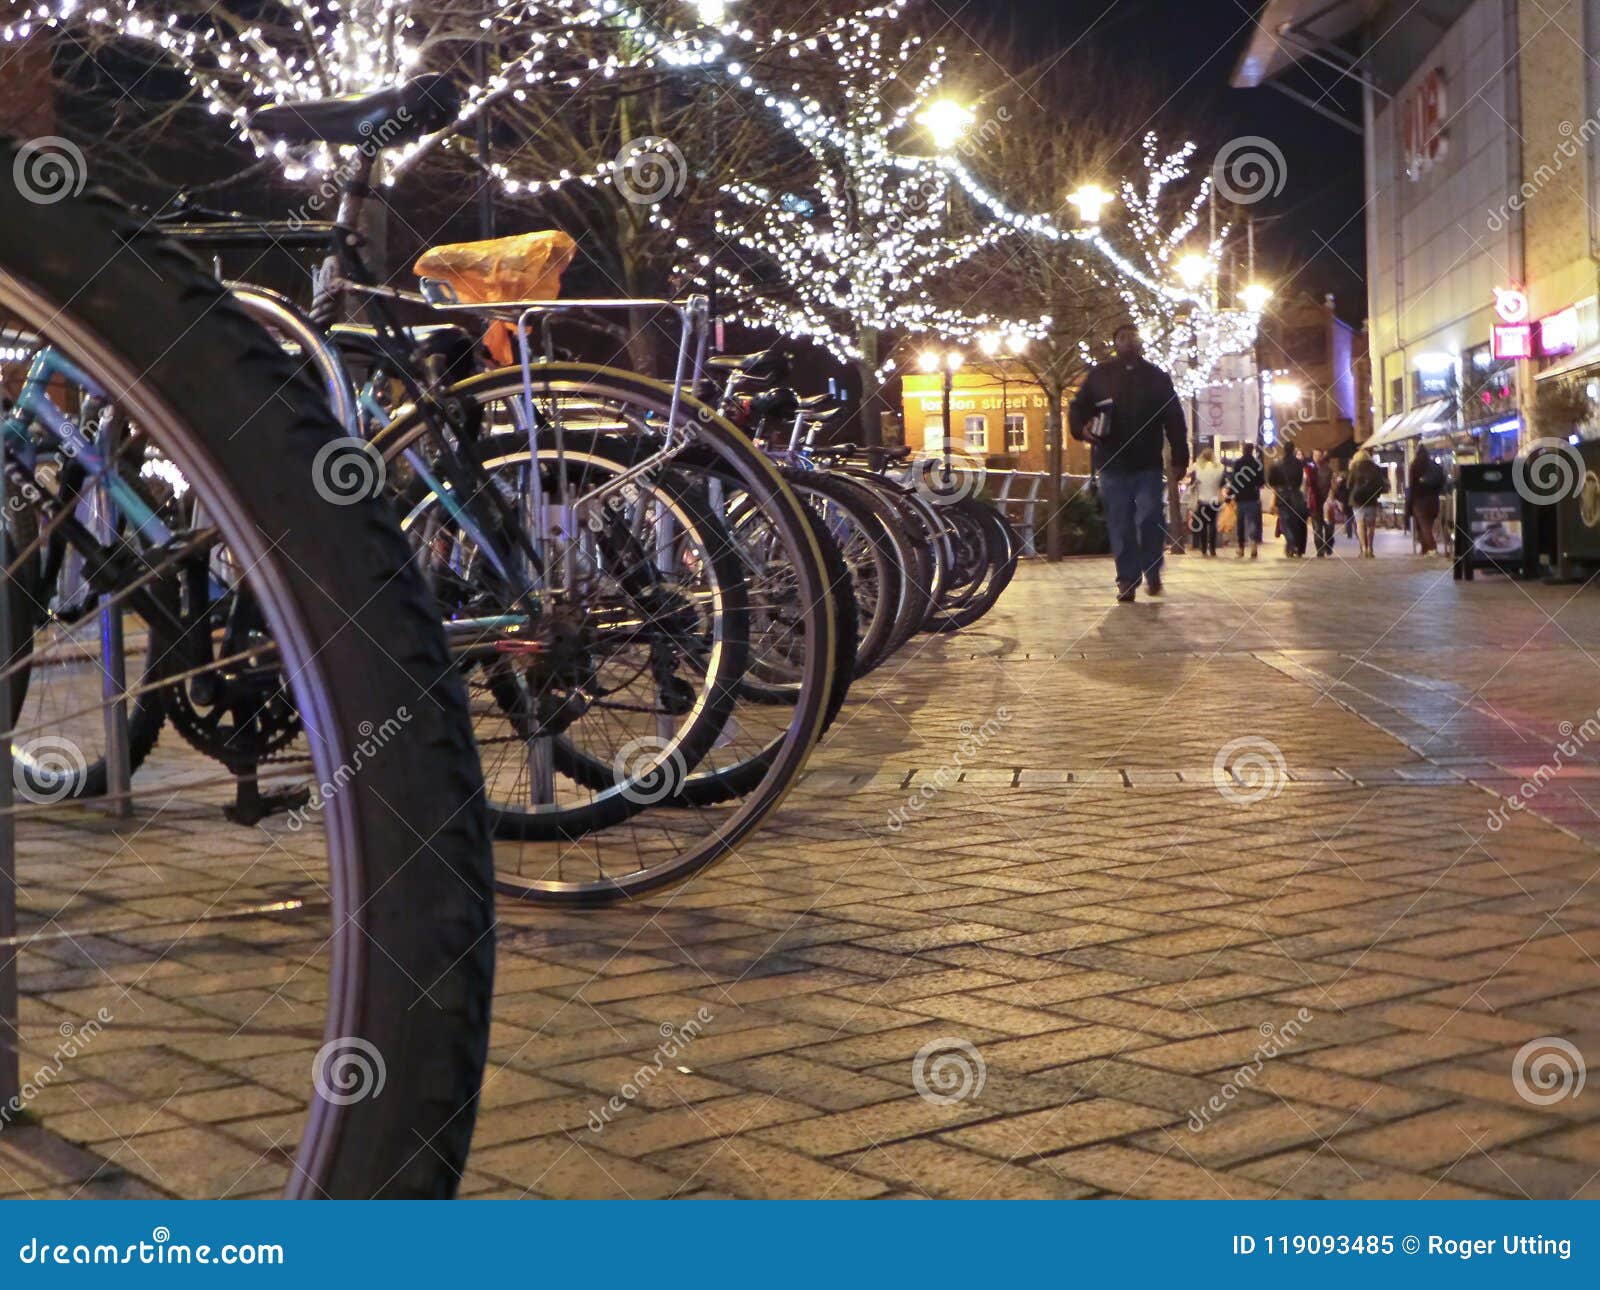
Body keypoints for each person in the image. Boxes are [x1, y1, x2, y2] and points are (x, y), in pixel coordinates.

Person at [1069, 322, 1190, 602]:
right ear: (1115, 343)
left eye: (1132, 336)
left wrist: (1180, 457)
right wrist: (1081, 429)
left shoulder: (1156, 377)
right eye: (1122, 337)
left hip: (1147, 462)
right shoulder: (1099, 376)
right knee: (1120, 522)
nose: (1128, 341)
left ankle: (1152, 568)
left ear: (1140, 342)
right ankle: (1127, 578)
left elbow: (1174, 418)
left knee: (1150, 516)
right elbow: (1078, 407)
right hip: (1112, 462)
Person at [1223, 442, 1264, 559]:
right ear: (1252, 450)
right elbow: (1261, 481)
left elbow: (1235, 480)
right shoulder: (1257, 463)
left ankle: (1241, 548)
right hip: (1253, 496)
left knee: (1240, 523)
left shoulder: (1238, 463)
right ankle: (1253, 543)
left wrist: (1229, 494)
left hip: (1240, 497)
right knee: (1252, 521)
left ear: (1243, 450)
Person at [1270, 442, 1309, 557]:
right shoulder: (1299, 464)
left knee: (1285, 521)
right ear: (1293, 450)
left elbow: (1271, 481)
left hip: (1282, 496)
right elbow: (1300, 479)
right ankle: (1295, 544)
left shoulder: (1277, 464)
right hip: (1296, 495)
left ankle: (1291, 542)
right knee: (1296, 522)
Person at [1408, 444, 1445, 554]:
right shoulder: (1435, 466)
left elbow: (1412, 485)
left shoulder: (1415, 465)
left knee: (1424, 526)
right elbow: (1441, 483)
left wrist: (1411, 501)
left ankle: (1432, 548)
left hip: (1419, 500)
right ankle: (1425, 548)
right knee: (1428, 524)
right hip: (1434, 499)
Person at [1347, 449, 1384, 558]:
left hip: (1357, 501)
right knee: (1371, 526)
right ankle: (1370, 548)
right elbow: (1381, 485)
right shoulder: (1375, 468)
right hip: (1371, 500)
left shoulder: (1354, 468)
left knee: (1360, 524)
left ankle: (1363, 548)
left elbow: (1348, 485)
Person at [1188, 447, 1225, 557]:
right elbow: (1222, 483)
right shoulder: (1219, 467)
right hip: (1214, 500)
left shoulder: (1197, 467)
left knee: (1203, 525)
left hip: (1202, 500)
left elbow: (1192, 483)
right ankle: (1212, 549)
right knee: (1213, 524)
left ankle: (1204, 548)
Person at [1306, 449, 1336, 556]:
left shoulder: (1328, 470)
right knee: (1317, 527)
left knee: (1329, 527)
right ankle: (1320, 549)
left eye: (1319, 455)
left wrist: (1331, 497)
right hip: (1315, 502)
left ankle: (1328, 545)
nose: (1317, 457)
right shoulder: (1309, 469)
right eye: (1315, 455)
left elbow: (1333, 485)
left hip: (1326, 502)